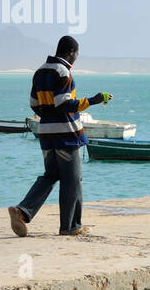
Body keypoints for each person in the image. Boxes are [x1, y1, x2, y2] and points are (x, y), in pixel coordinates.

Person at [8, 36, 112, 236]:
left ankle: (22, 211)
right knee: (72, 181)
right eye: (77, 54)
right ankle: (70, 226)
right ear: (72, 52)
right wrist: (93, 100)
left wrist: (48, 117)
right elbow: (63, 103)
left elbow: (34, 104)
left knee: (51, 175)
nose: (76, 58)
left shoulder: (40, 71)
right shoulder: (63, 72)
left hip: (46, 133)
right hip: (66, 134)